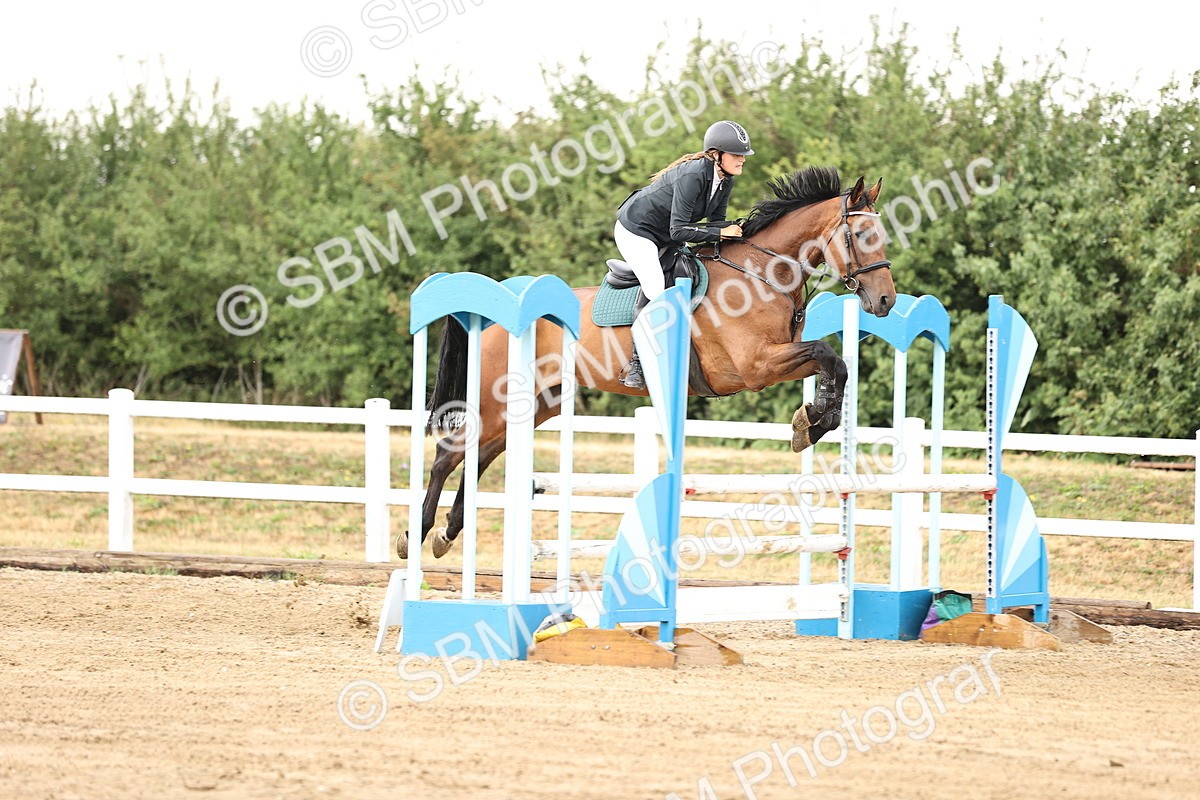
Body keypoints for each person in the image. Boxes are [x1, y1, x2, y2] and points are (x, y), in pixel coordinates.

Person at [613, 119, 754, 389]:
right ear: (717, 154)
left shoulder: (725, 181)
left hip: (663, 234)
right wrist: (723, 233)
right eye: (737, 154)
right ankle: (637, 363)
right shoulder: (694, 175)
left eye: (743, 155)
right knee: (656, 287)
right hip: (636, 230)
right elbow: (679, 231)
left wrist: (740, 227)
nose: (742, 160)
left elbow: (714, 224)